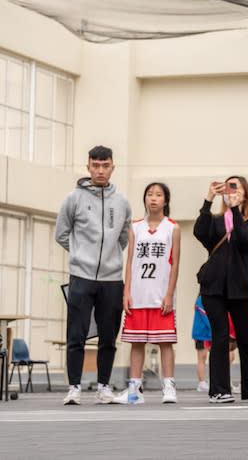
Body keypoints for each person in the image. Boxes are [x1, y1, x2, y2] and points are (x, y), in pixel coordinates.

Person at [55, 145, 132, 406]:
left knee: (109, 337)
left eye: (105, 165)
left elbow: (123, 237)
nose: (100, 170)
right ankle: (74, 387)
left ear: (112, 167)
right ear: (88, 166)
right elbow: (61, 234)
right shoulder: (73, 198)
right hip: (81, 276)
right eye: (96, 165)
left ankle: (103, 387)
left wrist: (109, 258)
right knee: (76, 334)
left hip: (111, 280)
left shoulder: (122, 202)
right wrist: (81, 254)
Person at [193, 176, 248, 403]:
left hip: (241, 287)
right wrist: (209, 199)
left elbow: (245, 240)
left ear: (245, 194)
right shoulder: (215, 221)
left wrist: (235, 211)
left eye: (237, 188)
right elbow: (199, 232)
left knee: (245, 338)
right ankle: (219, 390)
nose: (232, 191)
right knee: (220, 337)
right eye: (229, 187)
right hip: (213, 287)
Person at [113, 182, 181, 405]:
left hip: (161, 294)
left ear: (165, 200)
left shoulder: (173, 228)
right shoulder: (135, 227)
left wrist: (169, 294)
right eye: (149, 194)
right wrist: (126, 291)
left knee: (165, 342)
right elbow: (130, 260)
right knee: (137, 342)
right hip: (138, 293)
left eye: (158, 195)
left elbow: (175, 263)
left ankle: (168, 385)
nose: (153, 198)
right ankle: (135, 389)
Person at [191, 294, 212, 392]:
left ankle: (211, 380)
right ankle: (202, 382)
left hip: (209, 334)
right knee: (202, 357)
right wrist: (214, 327)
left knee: (213, 357)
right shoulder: (201, 299)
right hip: (201, 333)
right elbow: (205, 316)